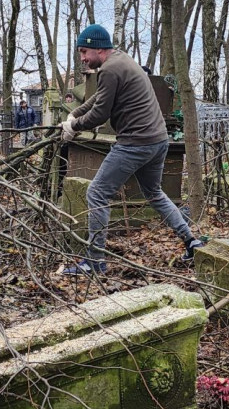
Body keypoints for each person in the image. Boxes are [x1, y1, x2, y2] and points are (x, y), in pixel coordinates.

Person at [59, 24, 203, 275]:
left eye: (84, 52)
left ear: (97, 48)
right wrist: (75, 112)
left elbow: (101, 113)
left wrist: (75, 126)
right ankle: (191, 241)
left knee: (97, 194)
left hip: (136, 142)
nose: (82, 58)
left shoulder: (110, 69)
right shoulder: (121, 60)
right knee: (154, 193)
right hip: (158, 141)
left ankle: (94, 262)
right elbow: (99, 98)